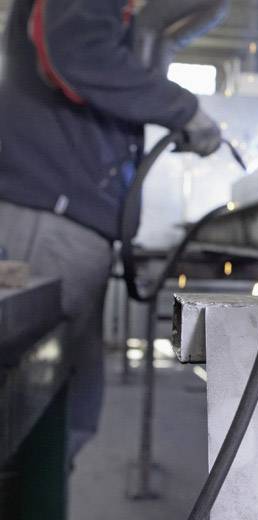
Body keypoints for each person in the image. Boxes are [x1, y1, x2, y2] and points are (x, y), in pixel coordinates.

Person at [0, 0, 222, 459]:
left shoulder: (118, 19)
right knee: (24, 411)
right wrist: (182, 109)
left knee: (67, 410)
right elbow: (75, 53)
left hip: (67, 224)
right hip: (47, 219)